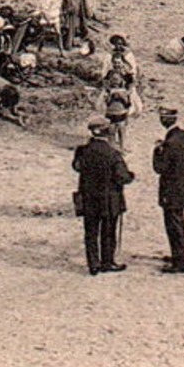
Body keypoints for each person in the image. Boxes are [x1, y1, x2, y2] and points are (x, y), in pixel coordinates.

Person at [73, 116, 135, 274]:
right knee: (108, 232)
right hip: (109, 200)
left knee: (91, 232)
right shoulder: (113, 154)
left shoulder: (82, 151)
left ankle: (93, 264)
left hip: (88, 198)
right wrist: (131, 176)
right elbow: (122, 177)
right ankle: (107, 262)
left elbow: (77, 167)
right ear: (109, 133)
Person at [152, 107, 184, 274]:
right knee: (179, 223)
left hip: (171, 190)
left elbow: (159, 168)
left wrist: (157, 151)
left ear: (165, 120)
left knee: (174, 225)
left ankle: (180, 262)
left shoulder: (169, 143)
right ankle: (179, 256)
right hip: (182, 186)